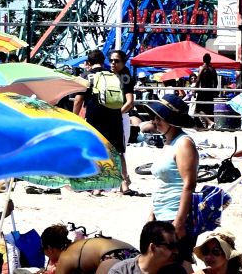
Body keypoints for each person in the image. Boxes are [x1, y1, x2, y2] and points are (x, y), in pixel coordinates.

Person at [146, 91, 199, 267]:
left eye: (159, 118)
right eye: (154, 117)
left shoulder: (183, 143)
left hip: (174, 214)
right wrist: (152, 214)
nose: (155, 121)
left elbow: (189, 184)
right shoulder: (168, 143)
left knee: (176, 265)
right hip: (162, 214)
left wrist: (179, 221)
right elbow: (162, 182)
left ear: (172, 121)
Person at [73, 49, 133, 195]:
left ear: (88, 62)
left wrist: (74, 118)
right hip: (114, 115)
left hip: (95, 116)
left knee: (97, 149)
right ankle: (124, 184)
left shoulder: (87, 76)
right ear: (103, 61)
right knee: (118, 151)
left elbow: (78, 100)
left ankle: (97, 187)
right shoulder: (113, 75)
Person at [109, 48, 138, 194]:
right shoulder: (111, 76)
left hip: (120, 117)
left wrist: (115, 114)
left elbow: (130, 102)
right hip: (114, 117)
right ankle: (119, 182)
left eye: (117, 61)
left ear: (124, 62)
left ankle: (124, 181)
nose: (113, 63)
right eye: (111, 60)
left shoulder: (125, 77)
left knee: (120, 151)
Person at [106, 221, 182, 274]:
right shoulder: (121, 271)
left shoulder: (176, 271)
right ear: (153, 248)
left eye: (177, 245)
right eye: (171, 246)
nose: (176, 251)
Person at [54, 235, 137, 274]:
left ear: (50, 249)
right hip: (133, 253)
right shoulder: (78, 244)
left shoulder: (64, 256)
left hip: (111, 257)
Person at [191, 54, 219, 128]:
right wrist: (214, 90)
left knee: (198, 109)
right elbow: (216, 82)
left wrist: (195, 89)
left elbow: (198, 79)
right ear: (210, 60)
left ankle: (209, 122)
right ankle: (210, 125)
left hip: (203, 90)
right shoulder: (213, 69)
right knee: (209, 109)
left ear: (203, 60)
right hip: (210, 91)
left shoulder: (202, 68)